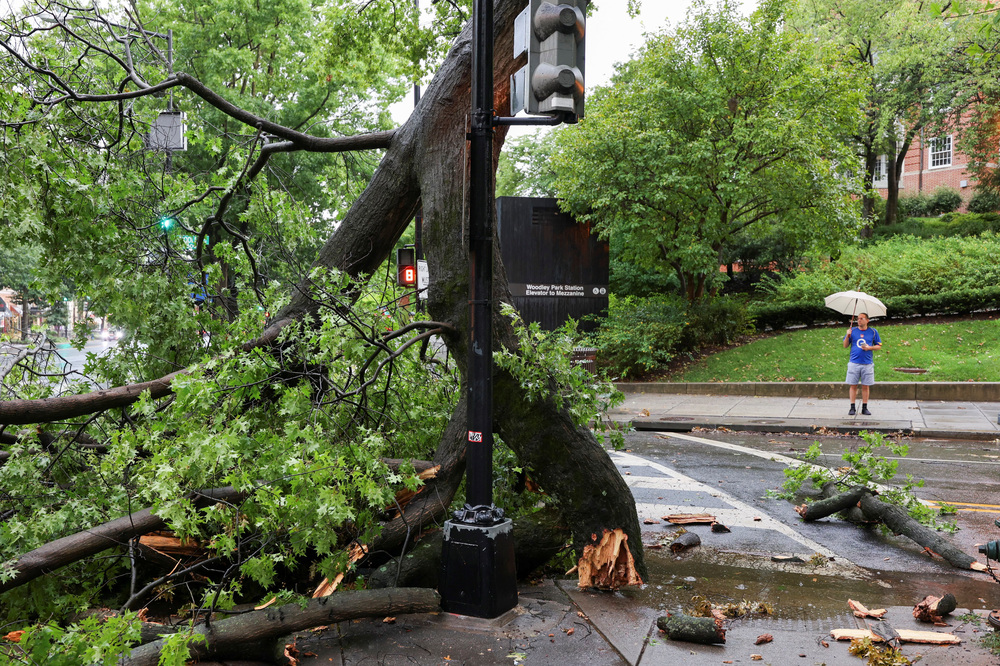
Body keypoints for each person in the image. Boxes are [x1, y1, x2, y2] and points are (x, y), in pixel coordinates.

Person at [843, 312, 881, 416]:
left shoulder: (873, 332)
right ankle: (852, 407)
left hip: (867, 363)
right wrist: (847, 336)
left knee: (866, 386)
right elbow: (845, 345)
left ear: (867, 320)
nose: (859, 320)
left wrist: (869, 348)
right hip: (854, 363)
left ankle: (865, 407)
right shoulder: (853, 331)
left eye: (861, 318)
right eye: (858, 319)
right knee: (853, 385)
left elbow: (879, 346)